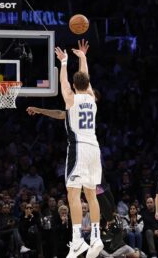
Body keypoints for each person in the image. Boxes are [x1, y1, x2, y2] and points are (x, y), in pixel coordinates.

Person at [55, 42, 104, 258]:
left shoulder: (71, 98)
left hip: (79, 149)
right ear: (87, 85)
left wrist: (64, 62)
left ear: (75, 86)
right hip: (94, 148)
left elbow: (63, 83)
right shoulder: (92, 97)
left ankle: (77, 241)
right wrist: (83, 57)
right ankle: (95, 237)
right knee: (91, 195)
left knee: (73, 194)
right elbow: (85, 77)